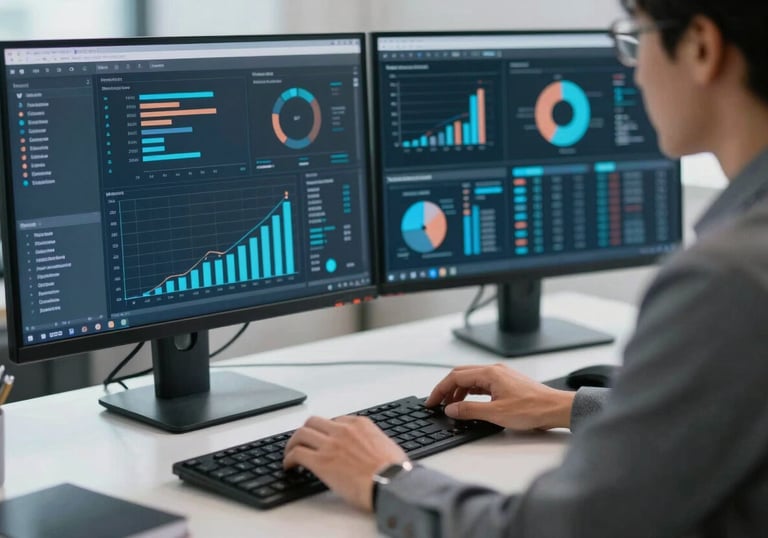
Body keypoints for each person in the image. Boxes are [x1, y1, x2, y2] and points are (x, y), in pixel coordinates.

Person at [283, 0, 768, 536]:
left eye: (637, 38)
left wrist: (385, 479)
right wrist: (562, 405)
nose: (633, 67)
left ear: (701, 47)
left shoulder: (727, 279)